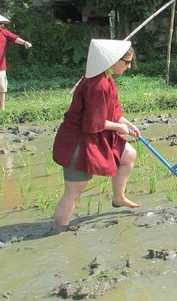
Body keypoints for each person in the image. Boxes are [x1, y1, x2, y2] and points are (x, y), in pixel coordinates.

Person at [52, 39, 141, 227]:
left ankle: (119, 198)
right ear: (112, 61)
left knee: (128, 155)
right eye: (126, 62)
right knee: (73, 193)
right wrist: (119, 128)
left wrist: (128, 124)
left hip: (95, 136)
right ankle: (57, 232)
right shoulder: (97, 85)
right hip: (79, 142)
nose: (129, 66)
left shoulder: (108, 79)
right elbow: (94, 123)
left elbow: (113, 112)